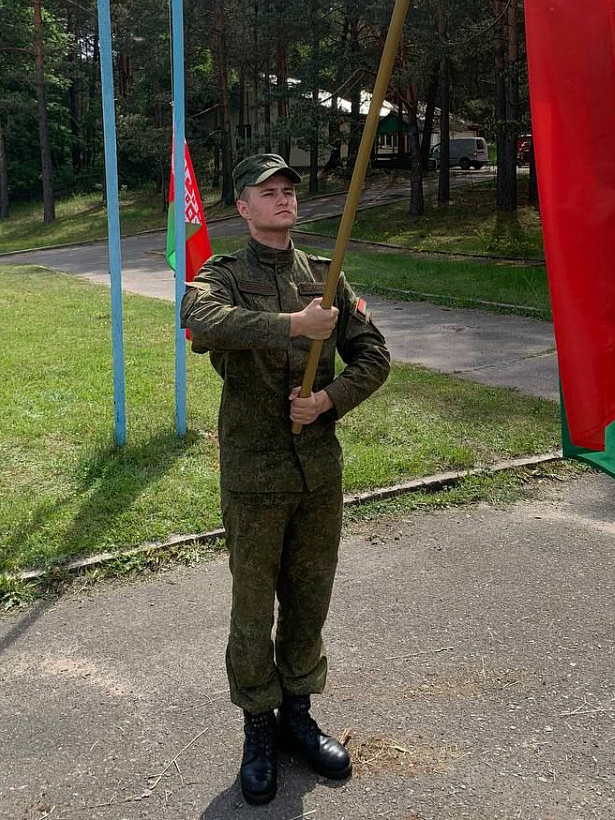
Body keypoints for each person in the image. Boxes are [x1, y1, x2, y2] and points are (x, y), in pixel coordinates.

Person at [181, 153, 390, 806]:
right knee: (252, 610)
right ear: (243, 207)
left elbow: (374, 355)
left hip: (317, 475)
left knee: (308, 598)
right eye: (267, 191)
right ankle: (258, 725)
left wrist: (328, 401)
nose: (283, 199)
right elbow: (200, 322)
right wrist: (293, 326)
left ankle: (297, 714)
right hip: (255, 476)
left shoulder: (324, 276)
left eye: (289, 190)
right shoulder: (223, 276)